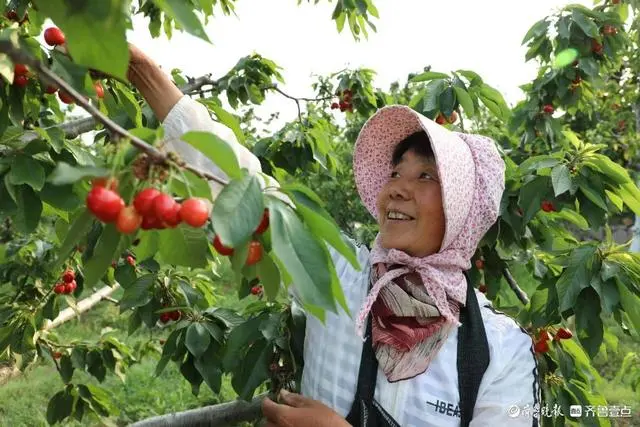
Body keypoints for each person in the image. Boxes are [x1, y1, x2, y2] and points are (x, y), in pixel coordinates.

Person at [126, 45, 541, 427]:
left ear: (463, 207)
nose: (396, 187)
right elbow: (252, 191)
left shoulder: (499, 352)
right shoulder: (337, 278)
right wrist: (151, 80)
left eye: (425, 175)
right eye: (395, 173)